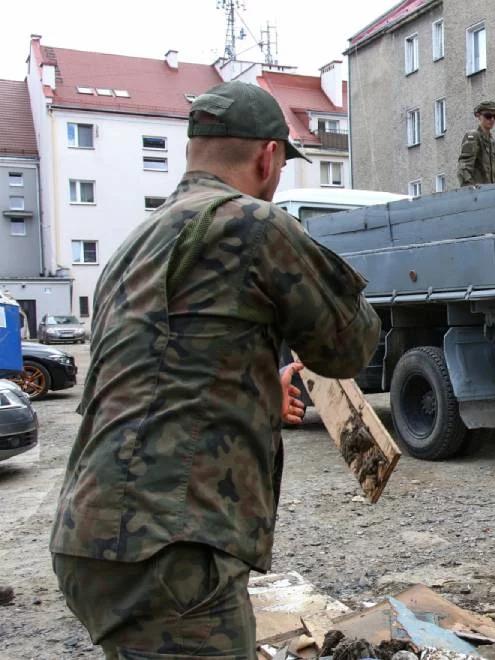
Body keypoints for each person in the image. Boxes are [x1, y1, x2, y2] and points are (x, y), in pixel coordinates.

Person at [49, 81, 381, 658]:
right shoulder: (254, 225)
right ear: (267, 156)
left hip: (94, 533)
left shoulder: (135, 244)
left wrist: (251, 387)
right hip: (169, 547)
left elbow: (151, 371)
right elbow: (348, 348)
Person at [458, 101, 495, 186]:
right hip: (478, 194)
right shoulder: (473, 136)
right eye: (488, 116)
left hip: (492, 193)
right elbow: (464, 168)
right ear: (478, 116)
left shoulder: (493, 143)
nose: (492, 119)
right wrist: (471, 190)